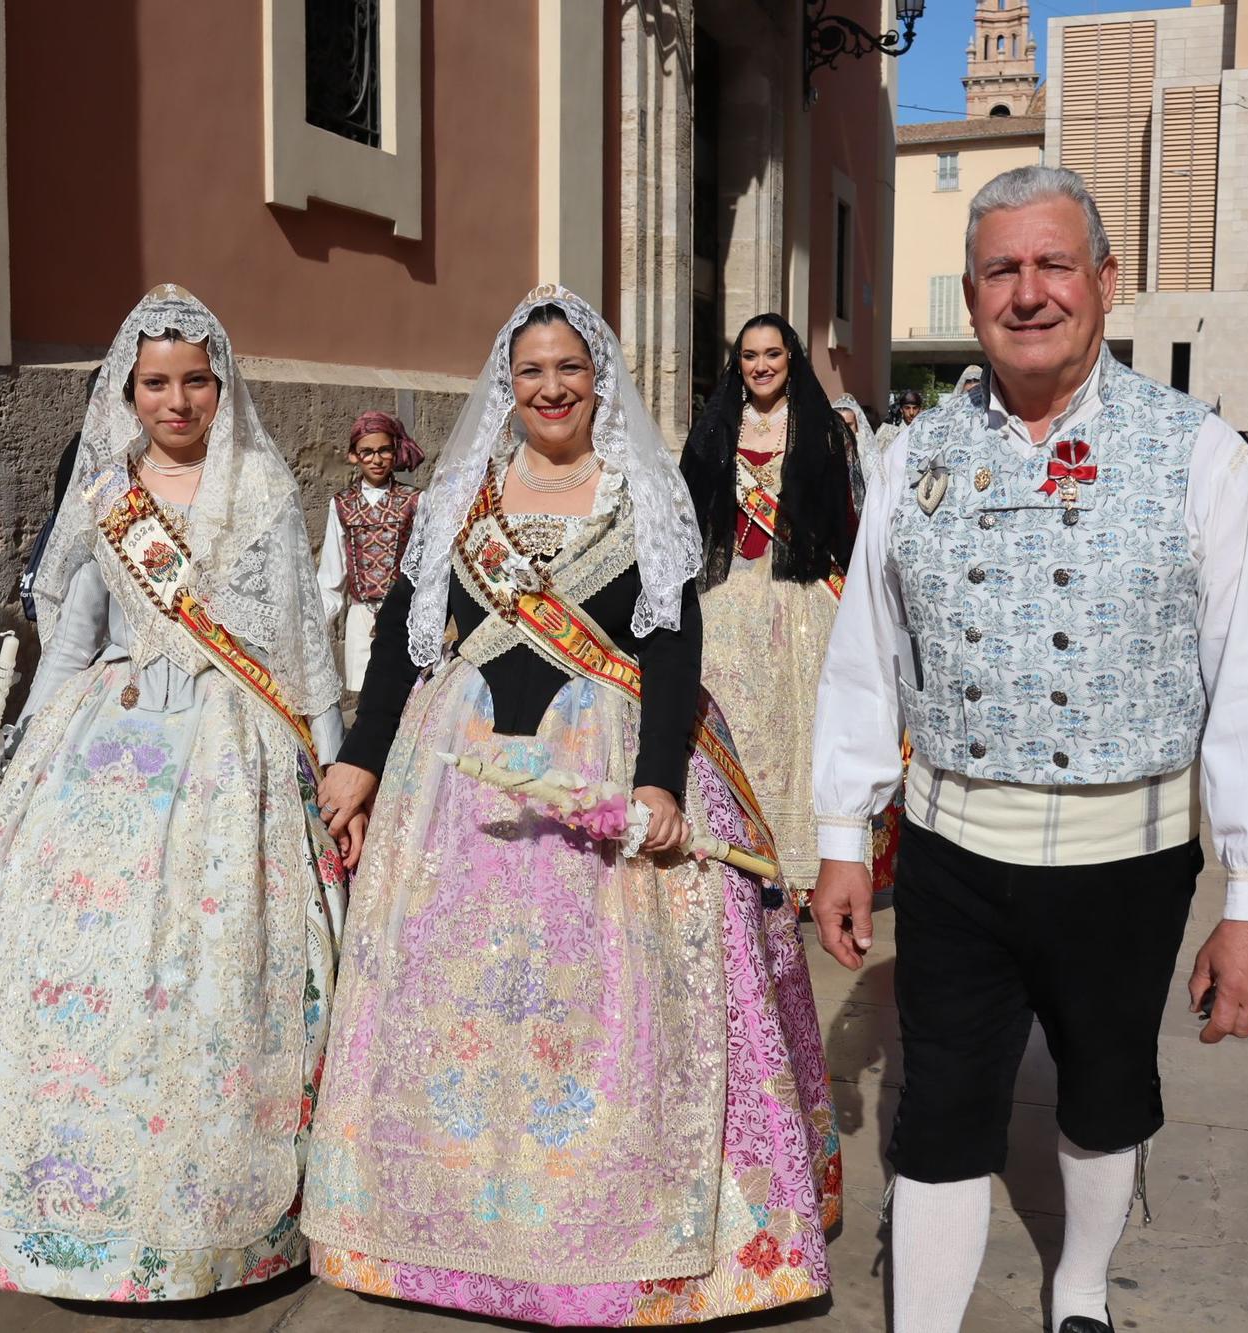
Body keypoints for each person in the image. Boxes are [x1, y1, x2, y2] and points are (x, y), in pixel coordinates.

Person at [811, 166, 1248, 1333]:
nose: (1026, 293)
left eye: (1051, 264)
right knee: (936, 1108)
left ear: (1102, 281)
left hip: (1124, 862)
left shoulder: (1196, 455)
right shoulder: (912, 457)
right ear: (974, 293)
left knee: (1103, 1090)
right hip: (949, 856)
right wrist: (841, 833)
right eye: (1000, 270)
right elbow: (862, 658)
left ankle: (1078, 1289)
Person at [302, 286, 838, 1327]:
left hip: (604, 762)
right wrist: (361, 759)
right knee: (454, 1006)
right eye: (530, 370)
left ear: (600, 384)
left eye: (569, 370)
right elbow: (402, 637)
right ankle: (440, 1233)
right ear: (507, 384)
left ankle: (624, 1240)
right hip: (456, 774)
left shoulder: (642, 494)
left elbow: (673, 644)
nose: (550, 387)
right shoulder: (461, 495)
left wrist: (658, 780)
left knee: (605, 1008)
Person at [0, 286, 348, 1301]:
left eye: (195, 381)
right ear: (128, 389)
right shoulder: (104, 494)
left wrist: (336, 771)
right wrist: (15, 761)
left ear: (222, 386)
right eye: (156, 383)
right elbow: (71, 635)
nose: (176, 401)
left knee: (207, 971)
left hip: (229, 748)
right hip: (101, 742)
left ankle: (211, 1214)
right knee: (64, 967)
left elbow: (301, 648)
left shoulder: (258, 488)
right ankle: (57, 1201)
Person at [675, 317, 893, 914]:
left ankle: (801, 869)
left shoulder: (825, 429)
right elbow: (690, 512)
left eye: (773, 354)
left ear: (792, 359)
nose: (761, 365)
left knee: (801, 728)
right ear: (737, 363)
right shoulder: (716, 427)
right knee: (731, 721)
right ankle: (731, 853)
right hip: (726, 597)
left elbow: (847, 517)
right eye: (749, 356)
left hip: (800, 595)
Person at [315, 409, 424, 690]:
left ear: (395, 451)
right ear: (353, 455)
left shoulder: (415, 501)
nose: (376, 459)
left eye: (384, 451)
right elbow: (331, 574)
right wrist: (316, 628)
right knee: (366, 697)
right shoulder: (341, 504)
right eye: (367, 452)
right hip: (361, 616)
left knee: (404, 693)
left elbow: (426, 566)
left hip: (403, 615)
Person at [831, 389, 874, 512]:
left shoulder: (867, 456)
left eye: (849, 425)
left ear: (857, 426)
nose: (843, 429)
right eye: (839, 424)